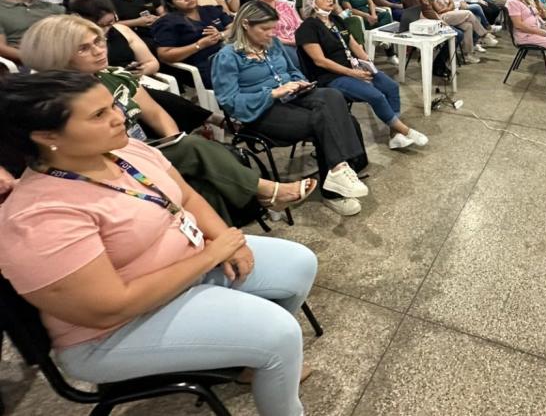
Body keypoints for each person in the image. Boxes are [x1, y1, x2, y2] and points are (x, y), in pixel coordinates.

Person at [0, 71, 318, 416]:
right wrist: (212, 253)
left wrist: (227, 241)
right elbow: (111, 306)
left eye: (113, 106)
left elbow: (185, 196)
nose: (120, 117)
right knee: (279, 334)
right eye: (98, 115)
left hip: (187, 271)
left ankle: (250, 361)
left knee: (299, 263)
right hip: (114, 333)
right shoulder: (39, 217)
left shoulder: (123, 150)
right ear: (47, 136)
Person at [19, 15, 315, 222]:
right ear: (58, 54)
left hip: (145, 148)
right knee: (195, 149)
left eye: (99, 41)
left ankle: (217, 242)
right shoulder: (50, 101)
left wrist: (172, 141)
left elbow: (156, 113)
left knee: (200, 172)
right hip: (99, 162)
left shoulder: (114, 76)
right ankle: (264, 192)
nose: (99, 50)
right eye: (85, 47)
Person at [212, 1, 370, 217]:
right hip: (261, 112)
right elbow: (229, 101)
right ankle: (335, 184)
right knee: (325, 120)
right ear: (246, 25)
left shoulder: (274, 44)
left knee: (333, 95)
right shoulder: (228, 56)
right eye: (265, 29)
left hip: (292, 98)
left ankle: (338, 170)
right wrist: (272, 93)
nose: (271, 34)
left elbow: (293, 72)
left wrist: (300, 83)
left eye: (273, 28)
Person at [296, 0, 428, 149]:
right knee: (377, 96)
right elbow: (320, 61)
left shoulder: (335, 20)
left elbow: (352, 44)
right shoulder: (307, 27)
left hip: (353, 68)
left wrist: (368, 64)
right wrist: (352, 73)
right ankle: (405, 130)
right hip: (331, 77)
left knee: (391, 87)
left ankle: (395, 135)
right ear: (312, 2)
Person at [67, 0, 216, 135]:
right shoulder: (72, 46)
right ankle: (208, 120)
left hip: (134, 79)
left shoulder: (122, 31)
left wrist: (141, 71)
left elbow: (152, 62)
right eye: (100, 26)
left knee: (146, 98)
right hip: (105, 87)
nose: (104, 32)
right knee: (149, 99)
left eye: (110, 23)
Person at [153, 0, 233, 89]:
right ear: (171, 4)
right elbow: (164, 55)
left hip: (229, 54)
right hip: (204, 64)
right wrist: (198, 45)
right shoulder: (168, 22)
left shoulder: (211, 10)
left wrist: (221, 35)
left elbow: (234, 27)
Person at [0, 0, 64, 64]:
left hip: (61, 61)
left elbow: (71, 37)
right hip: (21, 67)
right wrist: (37, 58)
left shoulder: (54, 9)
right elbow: (1, 48)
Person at [424, 0, 491, 62]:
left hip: (450, 13)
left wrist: (448, 7)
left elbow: (452, 2)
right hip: (441, 17)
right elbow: (438, 10)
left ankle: (467, 54)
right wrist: (449, 7)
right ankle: (484, 35)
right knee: (468, 13)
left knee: (468, 25)